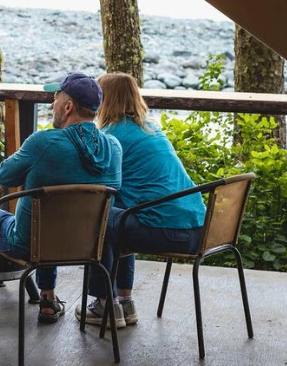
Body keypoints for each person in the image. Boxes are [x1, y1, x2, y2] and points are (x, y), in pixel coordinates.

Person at [0, 73, 122, 328]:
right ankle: (48, 298)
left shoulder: (43, 142)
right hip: (87, 247)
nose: (51, 105)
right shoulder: (114, 148)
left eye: (55, 99)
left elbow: (5, 175)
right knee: (49, 220)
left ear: (68, 107)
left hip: (26, 244)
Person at [76, 72, 206, 328]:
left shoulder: (112, 137)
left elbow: (90, 183)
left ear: (103, 101)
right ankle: (124, 302)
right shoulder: (151, 129)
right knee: (120, 213)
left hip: (164, 231)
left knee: (96, 216)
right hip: (200, 230)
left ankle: (104, 304)